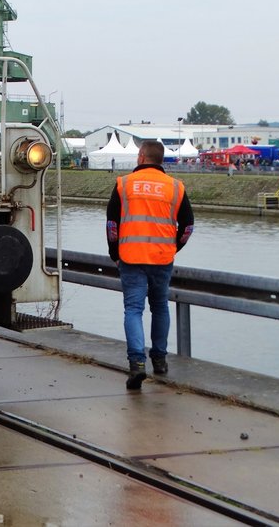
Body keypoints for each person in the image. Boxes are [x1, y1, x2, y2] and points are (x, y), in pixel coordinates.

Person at [106, 140, 195, 390]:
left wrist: (115, 252)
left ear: (142, 157)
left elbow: (112, 224)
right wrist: (173, 247)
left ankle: (137, 364)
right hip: (161, 258)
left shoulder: (124, 184)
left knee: (133, 309)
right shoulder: (175, 188)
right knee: (159, 307)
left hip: (131, 257)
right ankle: (159, 359)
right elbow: (188, 226)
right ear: (161, 159)